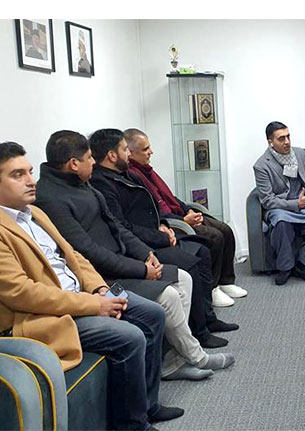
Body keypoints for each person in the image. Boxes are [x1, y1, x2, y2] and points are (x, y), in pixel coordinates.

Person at [0, 142, 181, 430]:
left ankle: (148, 405)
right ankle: (133, 427)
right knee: (130, 337)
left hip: (83, 295)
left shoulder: (34, 213)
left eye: (30, 172)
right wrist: (95, 305)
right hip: (45, 316)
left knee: (153, 313)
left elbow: (73, 255)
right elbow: (22, 293)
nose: (31, 181)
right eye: (17, 175)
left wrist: (98, 289)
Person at [34, 130, 234, 381]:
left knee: (184, 278)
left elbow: (116, 226)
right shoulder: (51, 198)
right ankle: (195, 356)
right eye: (88, 158)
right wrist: (141, 269)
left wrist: (146, 254)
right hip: (104, 277)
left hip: (125, 260)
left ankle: (172, 361)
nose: (93, 162)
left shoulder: (82, 184)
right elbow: (87, 251)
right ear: (74, 164)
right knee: (170, 295)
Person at [88, 128, 238, 349]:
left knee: (203, 250)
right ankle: (200, 331)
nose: (128, 154)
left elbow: (152, 206)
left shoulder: (125, 174)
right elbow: (122, 227)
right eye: (124, 150)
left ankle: (207, 318)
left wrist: (164, 224)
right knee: (192, 262)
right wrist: (159, 237)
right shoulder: (103, 184)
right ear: (112, 155)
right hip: (141, 246)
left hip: (155, 233)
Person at [123, 128, 248, 303]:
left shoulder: (147, 170)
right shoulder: (133, 176)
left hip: (179, 215)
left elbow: (169, 197)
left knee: (225, 229)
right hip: (173, 222)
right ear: (130, 153)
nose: (151, 152)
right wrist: (183, 220)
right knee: (215, 237)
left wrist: (187, 209)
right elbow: (153, 210)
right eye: (145, 149)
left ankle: (226, 280)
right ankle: (212, 288)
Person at [253, 121, 305, 285]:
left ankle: (303, 264)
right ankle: (285, 267)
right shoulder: (261, 165)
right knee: (281, 222)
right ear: (271, 142)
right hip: (281, 207)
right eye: (281, 138)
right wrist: (296, 204)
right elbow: (268, 200)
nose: (287, 142)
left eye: (288, 136)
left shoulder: (299, 154)